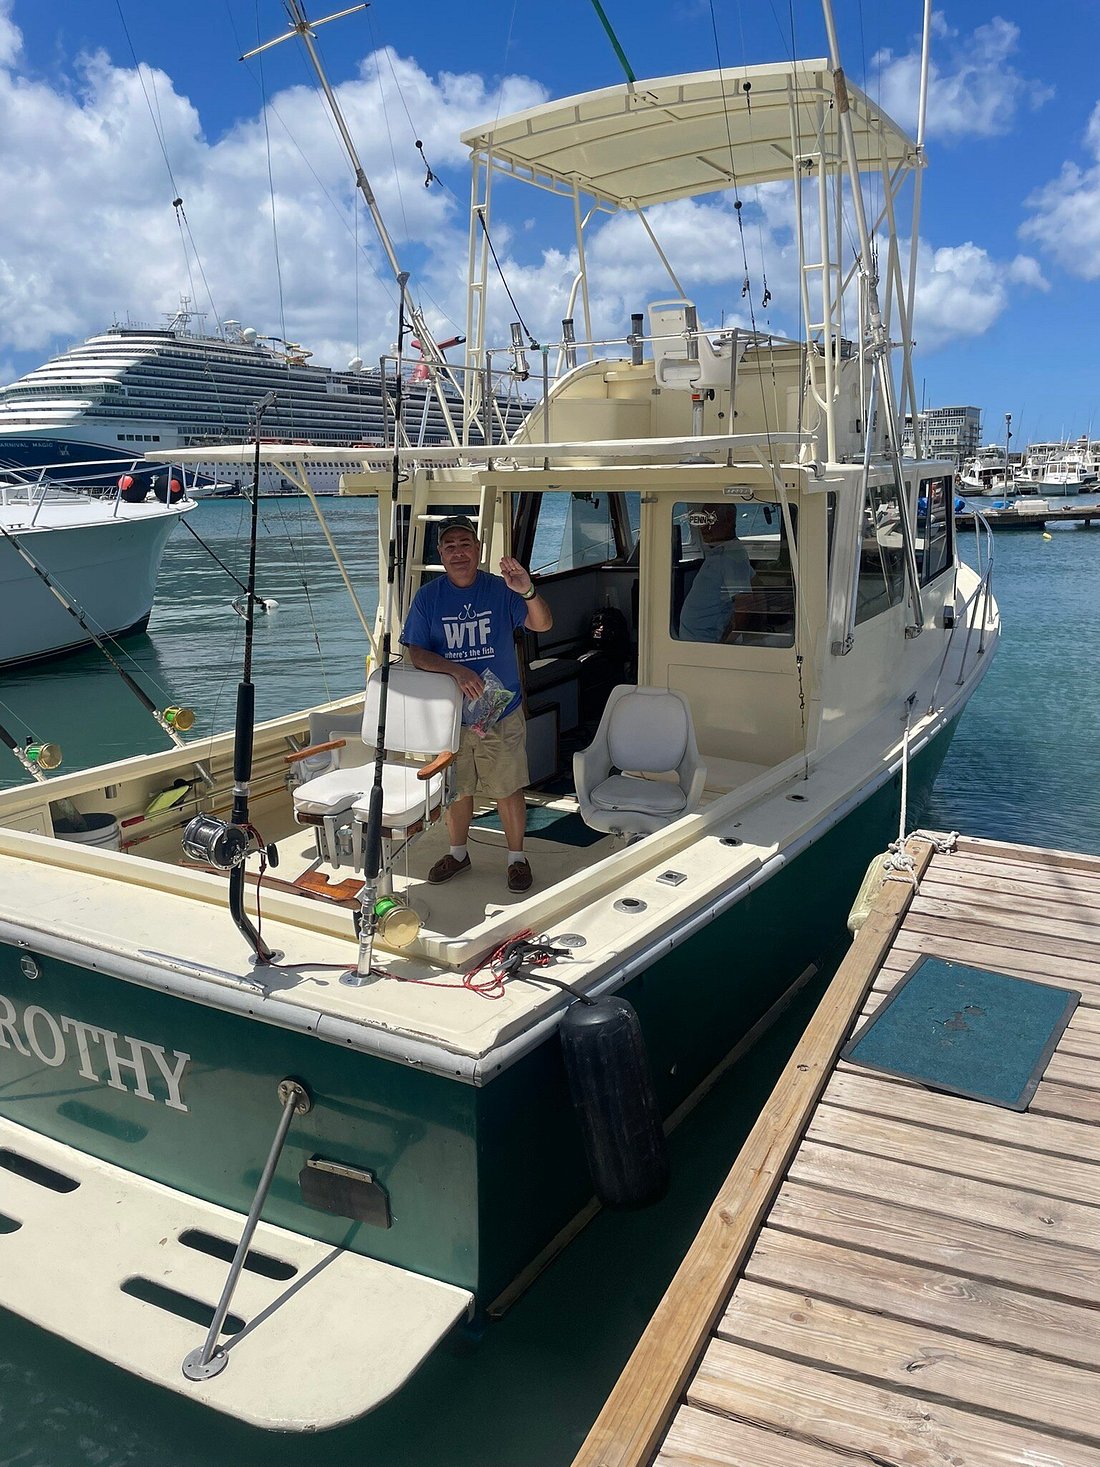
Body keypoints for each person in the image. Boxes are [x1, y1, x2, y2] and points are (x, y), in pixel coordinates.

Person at [400, 515, 553, 893]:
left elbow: (543, 624)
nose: (458, 553)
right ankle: (457, 853)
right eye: (449, 546)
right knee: (457, 789)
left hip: (499, 711)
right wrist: (456, 670)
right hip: (450, 717)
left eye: (465, 544)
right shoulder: (428, 597)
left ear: (478, 549)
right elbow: (416, 652)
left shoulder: (500, 590)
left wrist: (527, 591)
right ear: (440, 554)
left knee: (507, 787)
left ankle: (516, 859)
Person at [677, 504, 753, 641]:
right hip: (695, 640)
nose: (703, 527)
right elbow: (755, 581)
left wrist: (726, 643)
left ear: (729, 521)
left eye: (710, 520)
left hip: (706, 642)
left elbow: (744, 604)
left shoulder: (732, 556)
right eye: (702, 520)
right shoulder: (725, 551)